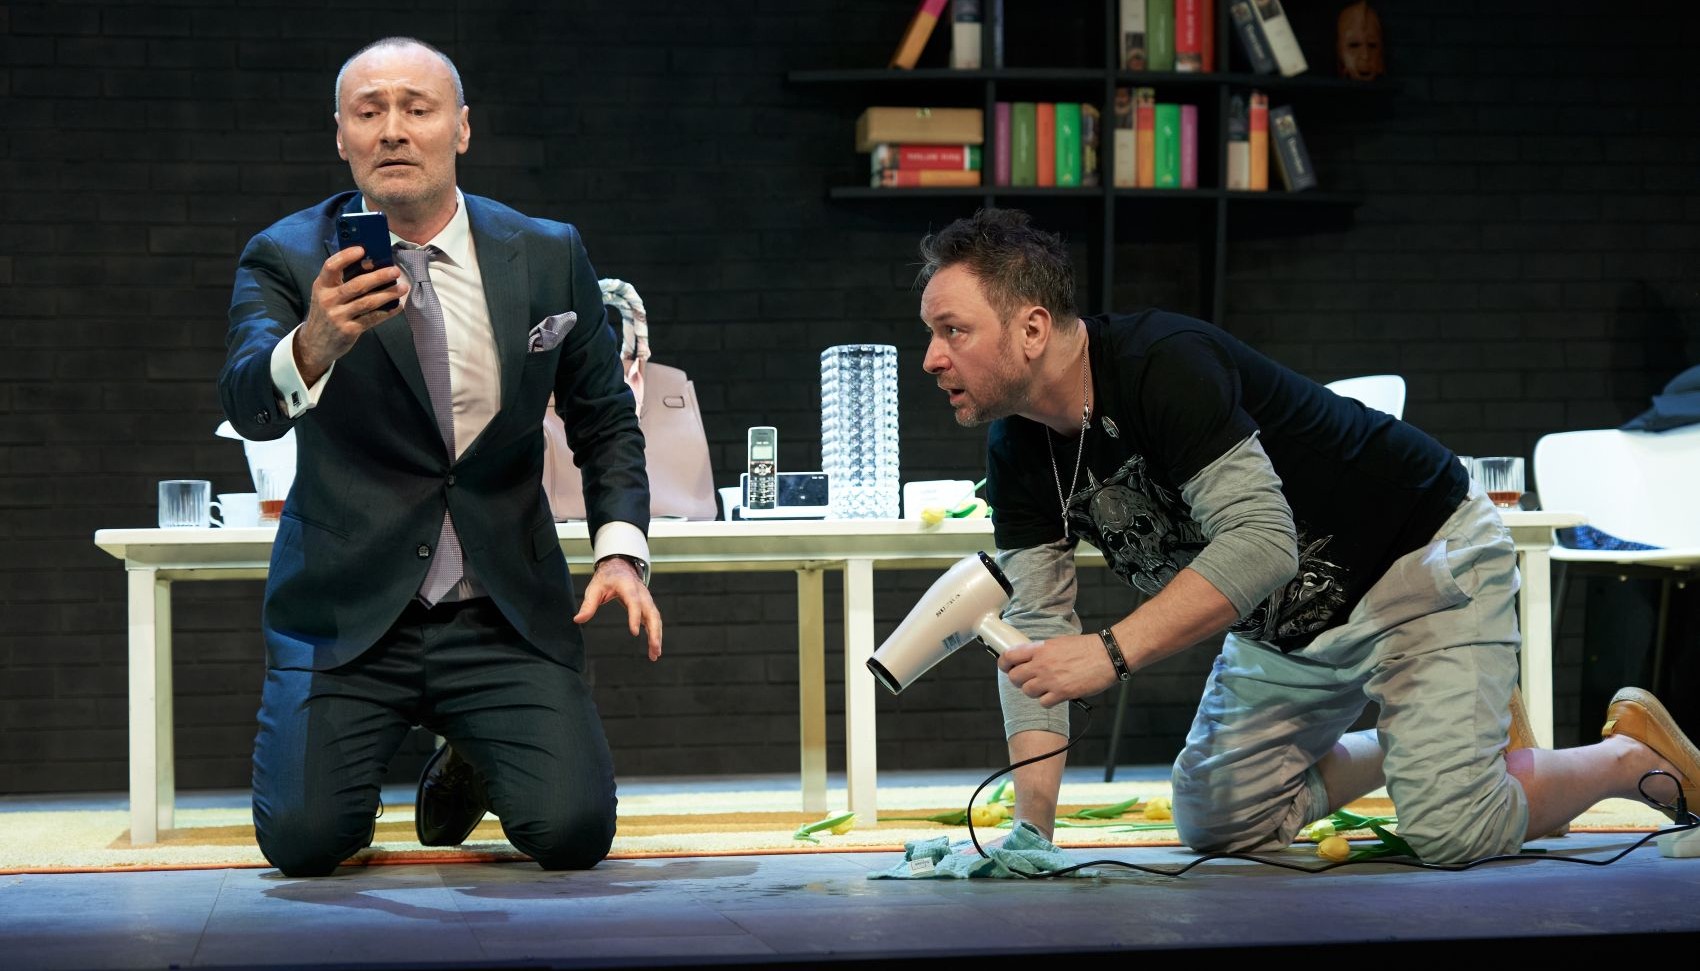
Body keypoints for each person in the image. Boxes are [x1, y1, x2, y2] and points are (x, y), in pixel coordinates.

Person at [915, 207, 1698, 863]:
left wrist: (1112, 651)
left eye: (953, 329)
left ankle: (1628, 757)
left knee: (1453, 829)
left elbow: (1262, 542)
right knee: (1218, 822)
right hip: (1287, 631)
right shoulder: (1017, 449)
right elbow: (1039, 638)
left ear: (1032, 327)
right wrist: (1032, 832)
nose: (931, 357)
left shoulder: (1161, 365)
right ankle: (1445, 740)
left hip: (1417, 565)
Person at [218, 36, 662, 877]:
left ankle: (474, 749)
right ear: (341, 135)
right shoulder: (287, 256)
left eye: (416, 109)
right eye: (368, 112)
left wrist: (619, 551)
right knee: (305, 843)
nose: (392, 129)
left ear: (461, 128)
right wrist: (313, 343)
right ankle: (393, 764)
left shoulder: (546, 252)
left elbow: (605, 418)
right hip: (346, 614)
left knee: (573, 834)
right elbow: (247, 403)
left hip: (501, 608)